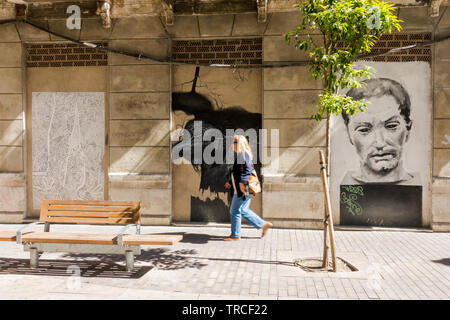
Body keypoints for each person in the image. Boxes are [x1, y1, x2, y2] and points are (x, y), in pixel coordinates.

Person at [341, 78, 420, 185]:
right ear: (349, 135)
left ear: (408, 129)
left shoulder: (416, 182)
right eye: (364, 130)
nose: (380, 142)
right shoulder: (347, 183)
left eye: (391, 126)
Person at [223, 135, 272, 241]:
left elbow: (248, 170)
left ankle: (235, 235)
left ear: (238, 143)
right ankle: (263, 225)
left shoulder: (243, 155)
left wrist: (241, 183)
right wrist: (231, 182)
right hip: (243, 188)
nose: (232, 144)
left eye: (234, 142)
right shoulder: (243, 155)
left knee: (235, 210)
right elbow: (238, 172)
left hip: (243, 189)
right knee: (244, 210)